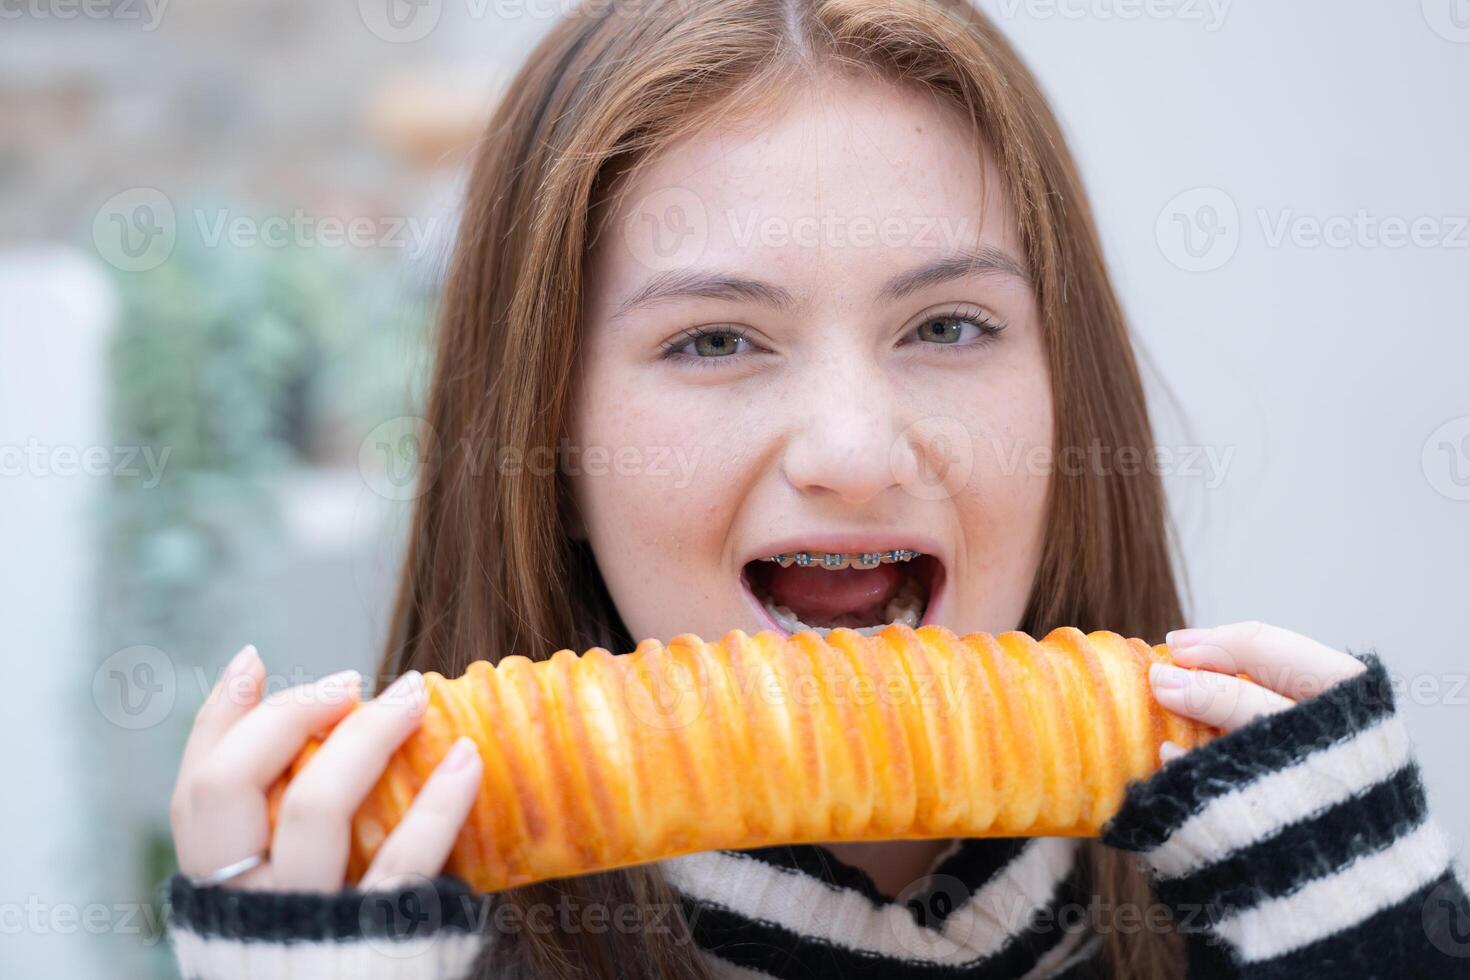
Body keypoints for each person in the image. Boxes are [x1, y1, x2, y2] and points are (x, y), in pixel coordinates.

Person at [162, 0, 1470, 976]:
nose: (854, 451)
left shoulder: (1298, 911)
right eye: (713, 341)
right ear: (543, 446)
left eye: (948, 326)